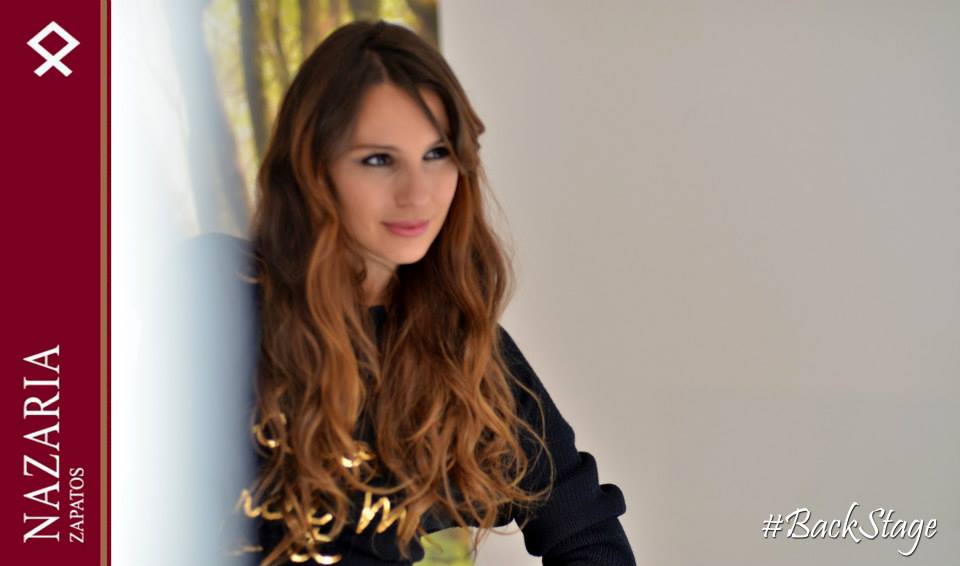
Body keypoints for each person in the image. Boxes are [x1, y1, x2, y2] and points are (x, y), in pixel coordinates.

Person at [193, 20, 635, 566]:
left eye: (438, 153)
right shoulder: (212, 295)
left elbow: (587, 533)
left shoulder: (461, 349)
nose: (418, 193)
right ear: (312, 167)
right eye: (379, 160)